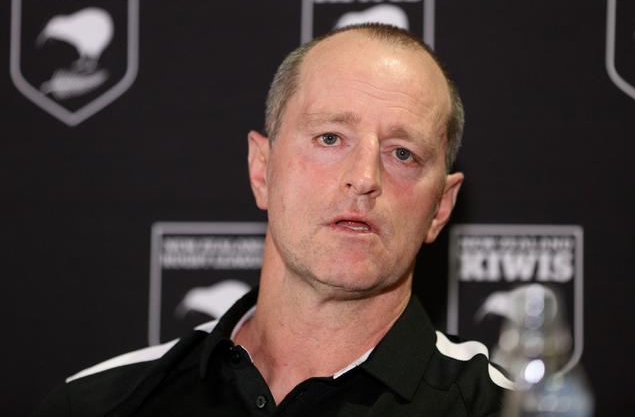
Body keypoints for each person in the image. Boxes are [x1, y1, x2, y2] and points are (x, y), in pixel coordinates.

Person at [33, 24, 511, 417]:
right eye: (329, 138)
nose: (364, 178)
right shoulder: (101, 405)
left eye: (403, 153)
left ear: (441, 208)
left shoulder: (503, 410)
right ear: (262, 169)